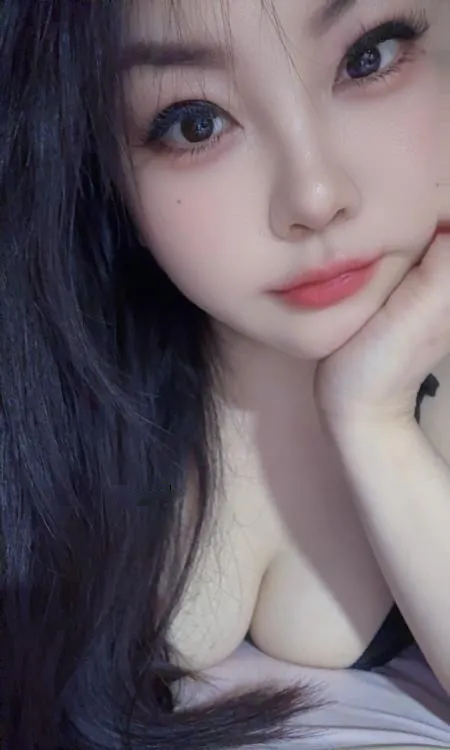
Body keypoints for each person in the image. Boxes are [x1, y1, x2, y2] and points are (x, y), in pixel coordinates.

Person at [2, 0, 450, 748]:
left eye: (367, 58)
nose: (315, 196)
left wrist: (373, 418)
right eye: (194, 123)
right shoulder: (43, 400)